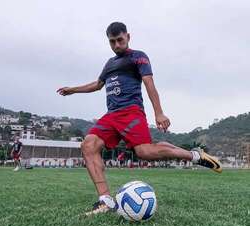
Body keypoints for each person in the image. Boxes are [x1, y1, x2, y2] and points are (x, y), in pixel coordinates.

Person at [57, 22, 222, 215]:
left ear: (128, 36)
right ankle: (105, 201)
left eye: (120, 40)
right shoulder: (110, 64)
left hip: (131, 112)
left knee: (144, 151)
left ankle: (195, 155)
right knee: (88, 145)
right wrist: (73, 90)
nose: (117, 45)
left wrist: (159, 112)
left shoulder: (138, 57)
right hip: (111, 115)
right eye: (112, 42)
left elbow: (149, 84)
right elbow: (97, 84)